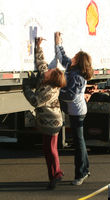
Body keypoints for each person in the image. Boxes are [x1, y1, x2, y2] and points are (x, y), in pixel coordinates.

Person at [23, 37, 66, 189]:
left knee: (51, 149)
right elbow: (42, 63)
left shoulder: (49, 90)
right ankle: (54, 175)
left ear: (52, 77)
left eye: (51, 71)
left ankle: (56, 175)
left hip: (52, 123)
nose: (48, 69)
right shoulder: (45, 78)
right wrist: (38, 46)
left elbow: (34, 101)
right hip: (48, 122)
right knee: (47, 149)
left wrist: (26, 87)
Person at [55, 32, 94, 186]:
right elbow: (64, 59)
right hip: (76, 110)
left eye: (75, 56)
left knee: (79, 143)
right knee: (80, 141)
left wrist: (57, 91)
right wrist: (58, 44)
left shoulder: (77, 76)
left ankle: (81, 173)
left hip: (77, 112)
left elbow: (70, 95)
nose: (72, 57)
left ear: (78, 61)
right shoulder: (72, 68)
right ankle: (85, 169)